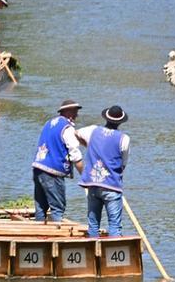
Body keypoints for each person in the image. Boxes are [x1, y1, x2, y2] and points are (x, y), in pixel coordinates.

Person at [77, 106, 130, 238]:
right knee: (115, 225)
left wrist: (89, 145)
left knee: (93, 224)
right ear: (120, 122)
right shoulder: (124, 139)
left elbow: (76, 133)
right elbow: (123, 163)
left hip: (93, 184)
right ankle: (115, 255)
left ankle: (93, 252)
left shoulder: (93, 130)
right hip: (112, 185)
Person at [32, 99, 84, 223]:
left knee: (40, 206)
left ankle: (39, 234)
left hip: (38, 166)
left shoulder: (49, 123)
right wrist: (85, 175)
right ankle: (58, 233)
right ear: (69, 112)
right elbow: (75, 154)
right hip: (52, 171)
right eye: (75, 112)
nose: (77, 115)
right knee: (57, 207)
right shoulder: (67, 128)